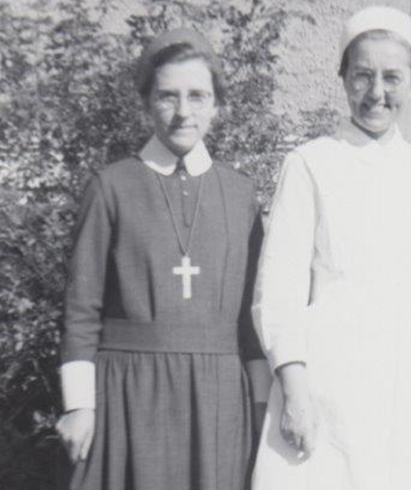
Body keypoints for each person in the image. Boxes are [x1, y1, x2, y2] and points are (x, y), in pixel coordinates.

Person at [55, 28, 269, 490]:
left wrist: (260, 402)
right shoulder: (110, 186)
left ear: (218, 105)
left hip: (217, 393)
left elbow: (253, 319)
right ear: (146, 102)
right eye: (168, 96)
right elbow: (81, 308)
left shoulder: (240, 193)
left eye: (198, 96)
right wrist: (78, 404)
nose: (183, 111)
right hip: (128, 388)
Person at [250, 6, 411, 490]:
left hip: (405, 372)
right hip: (327, 369)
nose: (377, 93)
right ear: (342, 78)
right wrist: (294, 389)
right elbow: (278, 288)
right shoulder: (309, 163)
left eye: (392, 77)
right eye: (362, 75)